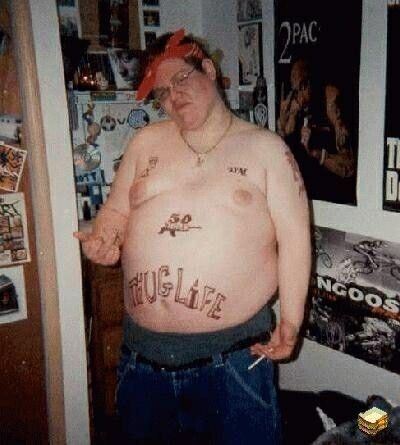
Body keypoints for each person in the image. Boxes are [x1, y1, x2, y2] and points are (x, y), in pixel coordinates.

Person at [74, 29, 311, 444]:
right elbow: (115, 212)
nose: (173, 97)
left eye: (181, 79)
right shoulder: (144, 142)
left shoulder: (267, 148)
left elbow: (295, 239)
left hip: (232, 364)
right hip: (142, 363)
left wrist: (291, 320)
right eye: (162, 93)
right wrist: (104, 239)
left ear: (208, 70)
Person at [277, 58, 356, 203]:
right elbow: (281, 156)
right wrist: (282, 126)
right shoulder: (295, 106)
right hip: (306, 199)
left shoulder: (331, 101)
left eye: (302, 87)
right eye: (295, 90)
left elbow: (349, 167)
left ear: (309, 83)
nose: (299, 97)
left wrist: (317, 154)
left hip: (336, 200)